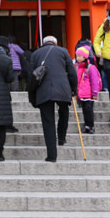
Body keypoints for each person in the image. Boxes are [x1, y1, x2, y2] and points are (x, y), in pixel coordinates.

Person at [28, 35, 77, 163]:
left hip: (43, 91)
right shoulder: (63, 51)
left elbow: (31, 77)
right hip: (62, 88)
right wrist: (74, 88)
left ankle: (52, 155)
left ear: (42, 43)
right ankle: (61, 137)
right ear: (56, 43)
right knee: (64, 111)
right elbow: (72, 71)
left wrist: (32, 97)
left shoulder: (36, 54)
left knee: (48, 123)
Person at [75, 45, 102, 134]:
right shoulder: (77, 67)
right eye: (77, 56)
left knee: (89, 110)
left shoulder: (91, 67)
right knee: (84, 110)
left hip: (89, 93)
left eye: (79, 56)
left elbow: (94, 81)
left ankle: (91, 125)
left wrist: (95, 93)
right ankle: (86, 125)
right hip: (81, 93)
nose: (77, 58)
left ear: (84, 57)